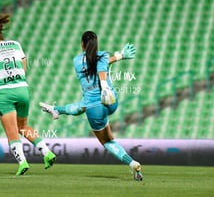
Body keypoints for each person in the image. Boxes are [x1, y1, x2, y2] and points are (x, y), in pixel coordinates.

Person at [40, 31, 143, 181]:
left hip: (95, 107)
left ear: (82, 44)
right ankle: (56, 110)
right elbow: (102, 65)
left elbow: (99, 70)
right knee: (82, 105)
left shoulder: (76, 61)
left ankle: (132, 163)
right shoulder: (103, 56)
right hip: (111, 102)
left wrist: (103, 86)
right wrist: (120, 55)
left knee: (106, 140)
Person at [0, 12, 56, 175]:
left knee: (12, 131)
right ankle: (47, 152)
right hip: (22, 89)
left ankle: (22, 163)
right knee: (23, 126)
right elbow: (24, 64)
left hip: (4, 92)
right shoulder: (15, 44)